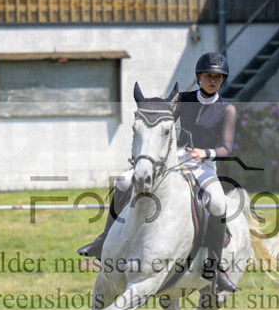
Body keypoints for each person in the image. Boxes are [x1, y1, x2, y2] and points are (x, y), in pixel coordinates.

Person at [77, 51, 239, 295]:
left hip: (203, 165)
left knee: (217, 203)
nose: (213, 80)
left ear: (223, 79)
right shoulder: (183, 99)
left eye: (218, 77)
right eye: (208, 76)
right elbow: (162, 120)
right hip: (174, 160)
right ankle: (103, 240)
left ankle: (215, 266)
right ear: (199, 77)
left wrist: (204, 153)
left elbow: (226, 148)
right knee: (123, 181)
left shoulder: (227, 109)